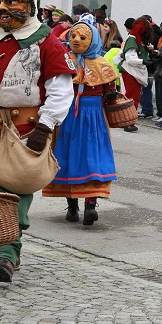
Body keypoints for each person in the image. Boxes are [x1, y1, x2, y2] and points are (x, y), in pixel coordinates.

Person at [0, 0, 74, 283]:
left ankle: (7, 253)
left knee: (14, 190)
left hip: (23, 129)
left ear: (30, 7)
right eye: (0, 0)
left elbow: (62, 90)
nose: (3, 7)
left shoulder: (46, 42)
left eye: (12, 1)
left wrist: (45, 125)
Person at [42, 14, 119, 225]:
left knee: (93, 157)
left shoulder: (102, 64)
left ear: (92, 39)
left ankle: (90, 205)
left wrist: (111, 94)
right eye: (73, 35)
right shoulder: (66, 60)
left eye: (82, 37)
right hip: (68, 115)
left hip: (94, 116)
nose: (76, 40)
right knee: (67, 154)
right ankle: (73, 206)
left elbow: (110, 90)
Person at [115, 17, 152, 133]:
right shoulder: (133, 39)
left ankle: (124, 121)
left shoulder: (136, 38)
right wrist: (143, 61)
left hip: (132, 71)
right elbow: (130, 59)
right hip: (131, 71)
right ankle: (129, 122)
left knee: (129, 97)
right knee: (132, 98)